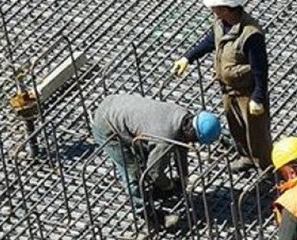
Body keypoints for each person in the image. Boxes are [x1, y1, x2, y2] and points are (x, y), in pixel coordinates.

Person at [171, 0, 272, 173]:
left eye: (216, 7)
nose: (213, 11)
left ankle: (265, 167)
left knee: (257, 134)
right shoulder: (221, 23)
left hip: (248, 92)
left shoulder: (251, 33)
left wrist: (258, 96)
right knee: (236, 128)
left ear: (228, 8)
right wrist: (188, 58)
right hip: (228, 89)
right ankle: (246, 158)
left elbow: (260, 67)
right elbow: (210, 42)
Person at [92, 93, 222, 231]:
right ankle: (148, 215)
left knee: (146, 158)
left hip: (117, 103)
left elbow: (181, 145)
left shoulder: (183, 116)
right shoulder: (164, 140)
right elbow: (154, 172)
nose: (194, 143)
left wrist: (183, 175)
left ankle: (153, 192)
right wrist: (169, 186)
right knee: (134, 173)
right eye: (196, 140)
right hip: (106, 125)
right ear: (193, 132)